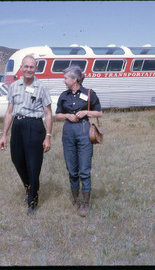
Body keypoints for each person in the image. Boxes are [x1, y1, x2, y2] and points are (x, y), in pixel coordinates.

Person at [0, 55, 53, 216]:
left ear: (36, 69)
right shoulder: (14, 86)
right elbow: (9, 113)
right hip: (18, 126)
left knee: (33, 164)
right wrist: (4, 135)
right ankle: (29, 189)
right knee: (17, 160)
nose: (29, 69)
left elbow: (48, 114)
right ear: (21, 68)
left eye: (32, 67)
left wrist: (48, 136)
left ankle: (33, 201)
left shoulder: (41, 87)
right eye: (26, 66)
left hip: (35, 127)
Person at [55, 66, 102, 217]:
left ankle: (85, 204)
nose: (64, 81)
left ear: (74, 79)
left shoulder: (89, 93)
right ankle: (75, 201)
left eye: (66, 78)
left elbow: (99, 112)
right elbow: (57, 115)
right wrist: (67, 116)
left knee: (84, 170)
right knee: (72, 169)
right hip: (68, 132)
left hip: (84, 132)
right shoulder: (63, 95)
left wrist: (86, 112)